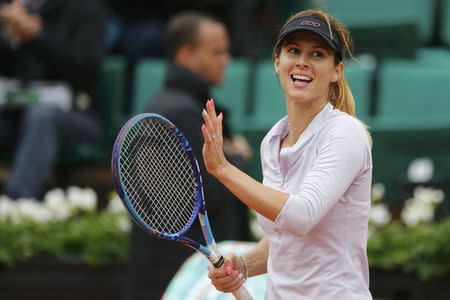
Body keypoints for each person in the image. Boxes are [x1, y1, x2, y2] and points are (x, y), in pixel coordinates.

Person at [202, 9, 373, 299]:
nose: (303, 62)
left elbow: (300, 215)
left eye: (317, 54)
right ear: (278, 62)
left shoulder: (345, 133)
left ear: (337, 70)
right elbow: (284, 239)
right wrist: (243, 265)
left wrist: (222, 168)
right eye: (294, 51)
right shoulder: (272, 141)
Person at [124, 11, 251, 300]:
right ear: (186, 55)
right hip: (177, 279)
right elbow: (210, 192)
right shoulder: (180, 112)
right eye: (217, 52)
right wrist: (238, 159)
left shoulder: (175, 105)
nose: (226, 60)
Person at [0, 0, 106, 199]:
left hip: (76, 115)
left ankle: (17, 207)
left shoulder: (87, 9)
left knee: (41, 116)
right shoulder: (14, 10)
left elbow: (85, 70)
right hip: (14, 113)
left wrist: (37, 37)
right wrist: (10, 37)